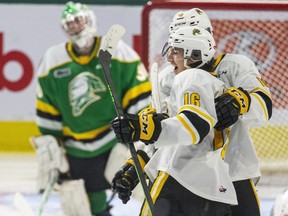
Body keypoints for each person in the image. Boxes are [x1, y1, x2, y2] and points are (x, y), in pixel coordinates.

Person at [33, 1, 151, 216]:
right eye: (69, 24)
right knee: (82, 206)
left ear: (91, 21)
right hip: (75, 146)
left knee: (146, 192)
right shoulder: (52, 60)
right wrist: (52, 147)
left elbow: (139, 95)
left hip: (114, 140)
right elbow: (47, 108)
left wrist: (138, 133)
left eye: (79, 20)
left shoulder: (119, 51)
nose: (76, 27)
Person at [111, 25, 238, 216]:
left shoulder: (191, 77)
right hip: (216, 189)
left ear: (193, 55)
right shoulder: (211, 82)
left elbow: (194, 127)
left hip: (180, 180)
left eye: (175, 51)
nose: (169, 57)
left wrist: (143, 128)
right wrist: (136, 164)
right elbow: (175, 135)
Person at [158, 8, 273, 216]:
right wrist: (136, 161)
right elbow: (161, 124)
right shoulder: (168, 77)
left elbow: (264, 107)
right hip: (185, 175)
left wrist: (240, 101)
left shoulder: (235, 66)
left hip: (234, 170)